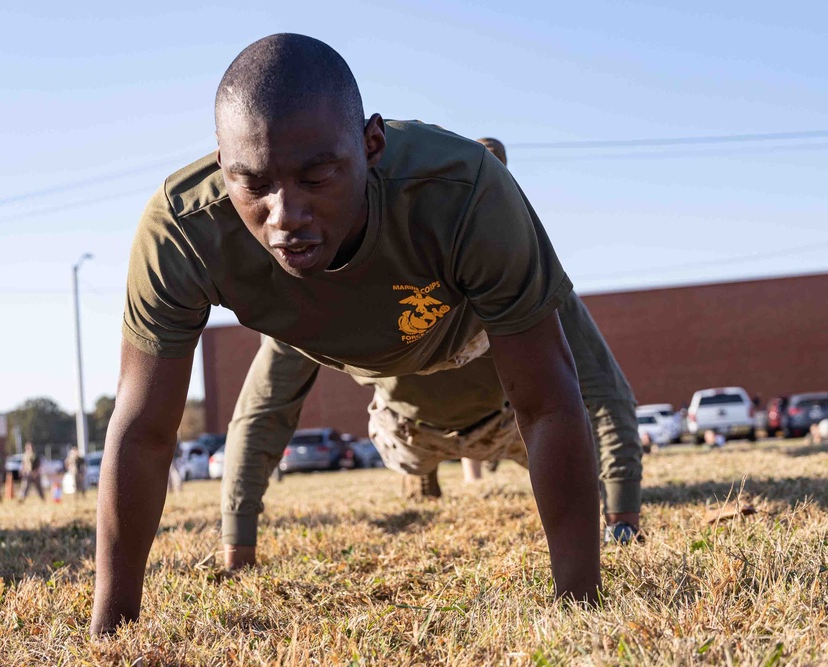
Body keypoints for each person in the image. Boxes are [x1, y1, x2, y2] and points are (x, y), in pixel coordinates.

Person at [92, 34, 602, 635]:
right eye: (252, 182)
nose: (285, 216)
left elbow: (549, 403)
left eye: (317, 177)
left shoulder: (465, 193)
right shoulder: (181, 233)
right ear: (222, 161)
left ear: (372, 145)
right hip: (350, 358)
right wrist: (112, 630)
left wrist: (579, 611)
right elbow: (147, 431)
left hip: (466, 335)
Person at [455, 137, 644, 539]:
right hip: (414, 431)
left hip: (509, 424)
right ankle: (422, 477)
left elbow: (608, 396)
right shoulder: (405, 251)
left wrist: (621, 516)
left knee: (553, 418)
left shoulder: (533, 275)